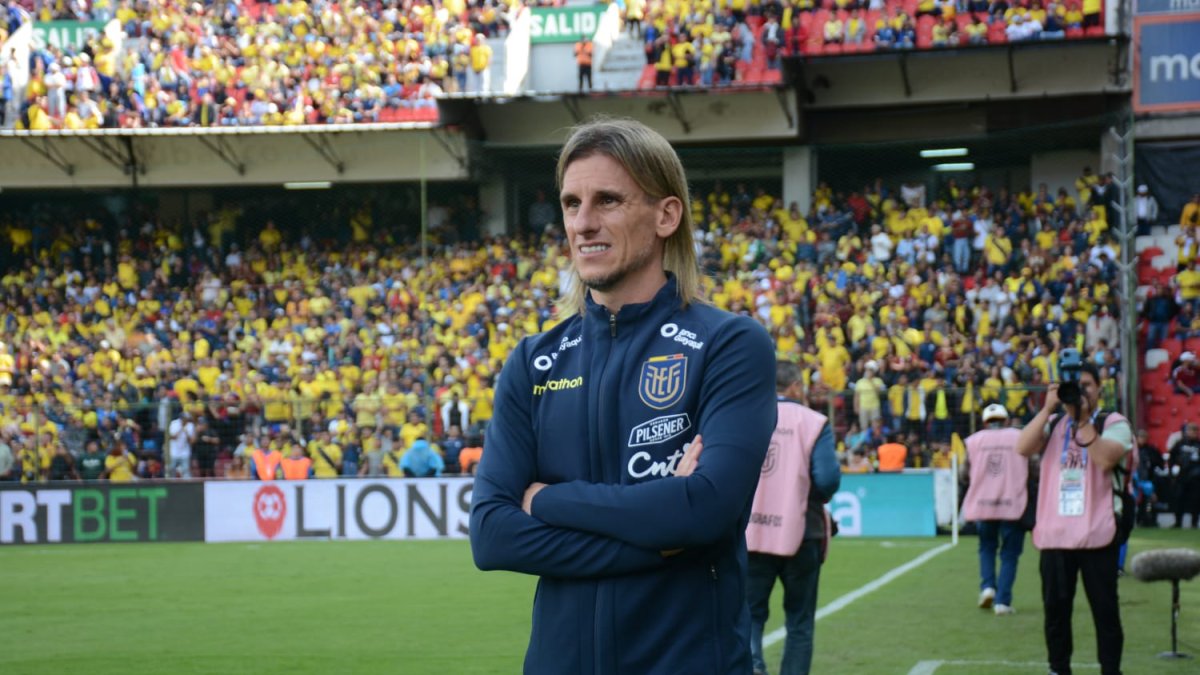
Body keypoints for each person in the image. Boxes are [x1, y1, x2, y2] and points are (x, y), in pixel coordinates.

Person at [469, 118, 777, 673]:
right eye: (570, 203)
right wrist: (659, 539)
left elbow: (704, 510)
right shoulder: (532, 363)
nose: (582, 224)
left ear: (666, 215)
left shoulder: (728, 344)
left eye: (607, 200)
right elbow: (492, 536)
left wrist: (544, 501)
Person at [1015, 361, 1133, 675]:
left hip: (1097, 532)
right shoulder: (1053, 423)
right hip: (1056, 533)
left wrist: (1082, 420)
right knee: (1055, 611)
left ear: (1099, 389)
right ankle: (1058, 669)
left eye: (1086, 386)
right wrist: (1046, 409)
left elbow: (1105, 459)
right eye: (1074, 386)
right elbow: (1022, 447)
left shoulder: (1114, 421)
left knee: (1105, 611)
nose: (1079, 392)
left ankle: (1110, 670)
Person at [745, 361, 839, 675]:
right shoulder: (812, 421)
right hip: (802, 534)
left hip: (752, 532)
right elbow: (827, 479)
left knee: (750, 615)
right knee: (799, 622)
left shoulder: (747, 416)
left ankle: (754, 666)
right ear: (796, 386)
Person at [961, 403, 1028, 615]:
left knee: (987, 548)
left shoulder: (974, 441)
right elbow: (1034, 467)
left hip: (983, 504)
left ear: (985, 422)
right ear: (1006, 420)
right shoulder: (1019, 436)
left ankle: (988, 587)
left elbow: (964, 474)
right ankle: (1003, 601)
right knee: (1009, 554)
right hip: (1013, 503)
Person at [1168, 422, 1200, 528]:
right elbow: (1172, 457)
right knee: (1179, 499)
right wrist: (1172, 470)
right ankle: (1178, 522)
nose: (1192, 433)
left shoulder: (1198, 445)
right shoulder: (1180, 444)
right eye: (1190, 430)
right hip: (1182, 476)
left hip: (1195, 477)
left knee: (1195, 501)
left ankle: (1194, 522)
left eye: (1194, 431)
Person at [167, 411, 196, 478]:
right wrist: (181, 429)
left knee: (186, 471)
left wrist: (186, 432)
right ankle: (171, 485)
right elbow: (171, 437)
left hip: (185, 452)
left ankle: (188, 486)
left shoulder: (190, 425)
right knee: (171, 470)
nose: (187, 420)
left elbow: (192, 441)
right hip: (173, 452)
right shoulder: (174, 423)